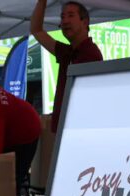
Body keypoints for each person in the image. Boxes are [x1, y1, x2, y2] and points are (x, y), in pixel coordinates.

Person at [30, 0, 103, 132]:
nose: (65, 21)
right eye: (62, 17)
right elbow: (36, 30)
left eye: (70, 15)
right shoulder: (68, 52)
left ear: (85, 22)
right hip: (65, 131)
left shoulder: (90, 54)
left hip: (78, 131)